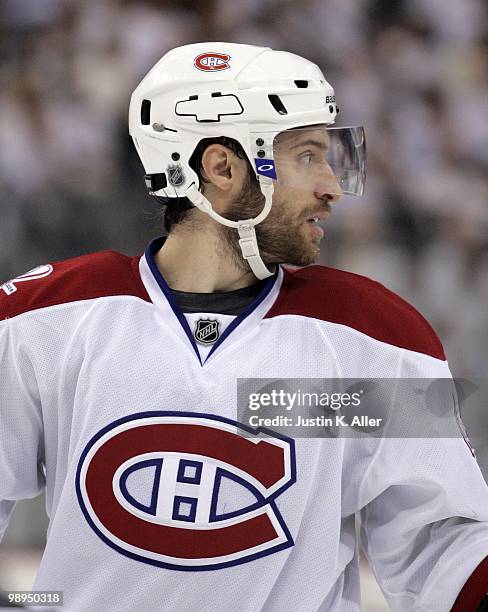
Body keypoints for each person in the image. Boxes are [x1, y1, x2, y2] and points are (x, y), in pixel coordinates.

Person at [1, 42, 487, 612]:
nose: (331, 186)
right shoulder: (42, 318)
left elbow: (443, 546)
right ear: (223, 168)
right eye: (307, 156)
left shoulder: (375, 335)